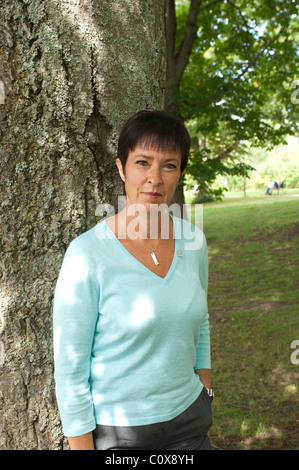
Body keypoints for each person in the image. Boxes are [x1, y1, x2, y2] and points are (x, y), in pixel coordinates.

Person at [53, 110, 213, 451]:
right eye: (143, 162)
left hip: (191, 422)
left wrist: (206, 389)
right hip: (120, 434)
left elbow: (201, 322)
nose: (154, 178)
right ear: (121, 168)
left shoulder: (194, 241)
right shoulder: (87, 255)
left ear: (180, 173)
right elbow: (70, 372)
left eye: (169, 165)